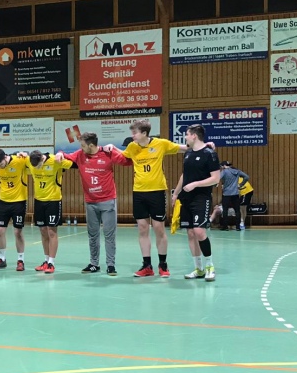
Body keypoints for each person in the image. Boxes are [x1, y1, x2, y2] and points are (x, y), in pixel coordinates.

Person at [118, 119, 201, 279]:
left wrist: (205, 145)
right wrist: (108, 148)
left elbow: (184, 148)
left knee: (159, 229)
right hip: (138, 192)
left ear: (144, 133)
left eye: (135, 132)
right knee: (142, 228)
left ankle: (163, 265)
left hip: (156, 192)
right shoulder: (132, 147)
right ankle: (147, 266)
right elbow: (120, 156)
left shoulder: (161, 144)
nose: (132, 135)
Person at [59, 132, 131, 276]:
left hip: (107, 201)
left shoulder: (107, 153)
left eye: (83, 145)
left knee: (109, 235)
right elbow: (65, 156)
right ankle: (94, 264)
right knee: (92, 235)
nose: (81, 148)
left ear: (91, 145)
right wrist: (60, 153)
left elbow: (127, 161)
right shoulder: (80, 154)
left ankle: (110, 265)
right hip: (90, 202)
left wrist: (115, 148)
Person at [172, 124, 221, 282]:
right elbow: (184, 175)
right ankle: (198, 269)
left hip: (201, 197)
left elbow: (215, 179)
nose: (185, 137)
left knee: (199, 231)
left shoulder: (209, 154)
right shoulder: (188, 153)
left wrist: (195, 184)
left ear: (194, 135)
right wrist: (176, 193)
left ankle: (210, 266)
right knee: (191, 233)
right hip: (186, 198)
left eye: (187, 134)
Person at [26, 150, 73, 274]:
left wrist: (62, 154)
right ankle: (46, 260)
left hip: (53, 201)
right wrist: (20, 154)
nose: (36, 168)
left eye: (38, 165)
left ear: (42, 159)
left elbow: (73, 163)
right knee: (43, 231)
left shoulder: (54, 161)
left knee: (51, 231)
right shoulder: (30, 161)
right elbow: (15, 158)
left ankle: (52, 262)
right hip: (38, 201)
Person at [0, 148, 30, 271]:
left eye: (0, 164)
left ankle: (20, 260)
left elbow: (35, 159)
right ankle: (1, 259)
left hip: (19, 201)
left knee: (18, 232)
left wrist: (26, 153)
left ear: (5, 158)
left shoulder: (19, 161)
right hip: (3, 202)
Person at [218, 161, 250, 231]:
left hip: (226, 194)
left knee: (225, 210)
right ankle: (238, 227)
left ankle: (225, 227)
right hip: (235, 193)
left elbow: (218, 178)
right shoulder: (237, 171)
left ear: (224, 166)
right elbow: (247, 177)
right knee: (237, 210)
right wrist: (241, 185)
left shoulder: (224, 172)